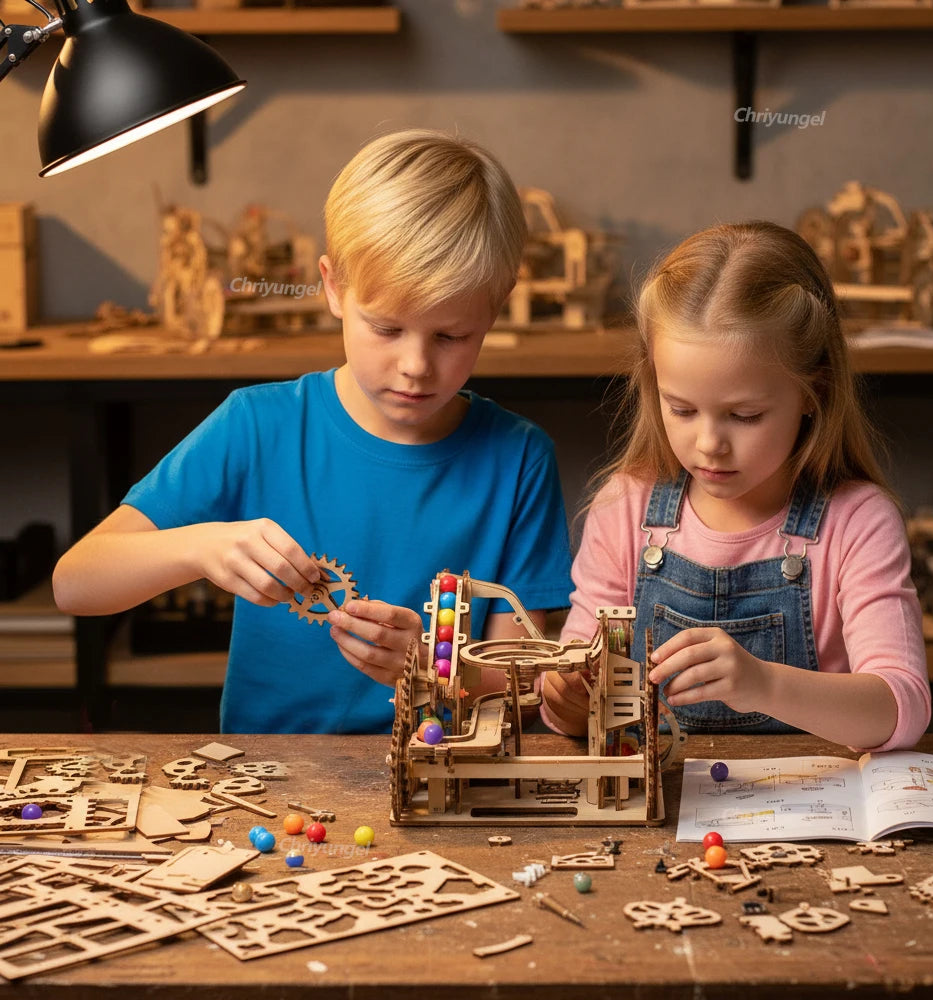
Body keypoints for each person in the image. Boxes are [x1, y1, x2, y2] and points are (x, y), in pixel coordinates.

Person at [53, 128, 573, 734]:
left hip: (439, 768)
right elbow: (76, 582)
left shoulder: (519, 459)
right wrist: (200, 547)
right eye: (386, 329)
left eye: (451, 336)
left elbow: (524, 688)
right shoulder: (256, 426)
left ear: (497, 306)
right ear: (333, 287)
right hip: (269, 774)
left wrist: (437, 670)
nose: (415, 365)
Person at [542, 221, 930, 752]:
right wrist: (566, 697)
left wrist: (763, 684)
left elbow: (901, 707)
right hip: (660, 793)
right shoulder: (625, 508)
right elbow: (566, 702)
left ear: (813, 392)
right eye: (681, 409)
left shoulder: (857, 522)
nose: (709, 445)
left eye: (744, 416)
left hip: (810, 796)